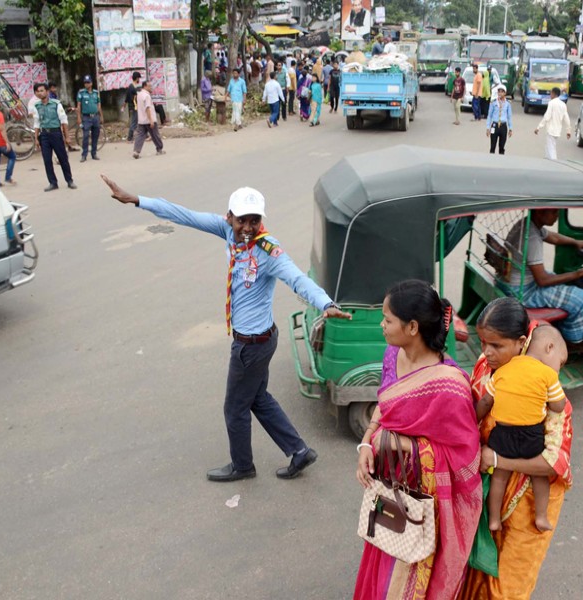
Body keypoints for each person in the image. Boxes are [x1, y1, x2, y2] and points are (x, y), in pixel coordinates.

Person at [100, 176, 352, 483]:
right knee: (257, 398)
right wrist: (137, 200)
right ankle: (298, 451)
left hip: (253, 345)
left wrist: (325, 303)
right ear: (229, 217)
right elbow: (183, 214)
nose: (247, 227)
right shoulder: (226, 231)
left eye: (254, 220)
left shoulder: (268, 251)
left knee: (234, 409)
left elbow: (297, 278)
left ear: (262, 220)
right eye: (241, 220)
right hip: (256, 341)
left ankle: (243, 466)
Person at [354, 280, 481, 600]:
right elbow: (384, 407)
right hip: (390, 487)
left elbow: (465, 457)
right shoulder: (391, 355)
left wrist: (404, 446)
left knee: (405, 584)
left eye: (387, 319)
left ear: (412, 326)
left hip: (425, 503)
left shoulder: (449, 386)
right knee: (382, 560)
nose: (381, 325)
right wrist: (368, 443)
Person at [457, 297, 573, 600]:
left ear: (522, 342)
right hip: (486, 490)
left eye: (496, 345)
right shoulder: (487, 366)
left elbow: (552, 463)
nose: (486, 352)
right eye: (483, 343)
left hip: (530, 502)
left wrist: (497, 458)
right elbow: (471, 414)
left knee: (507, 588)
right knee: (475, 574)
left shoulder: (546, 391)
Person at [476, 325, 568, 533]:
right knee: (539, 477)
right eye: (560, 362)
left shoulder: (503, 369)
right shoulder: (548, 375)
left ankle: (493, 520)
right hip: (531, 435)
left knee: (499, 476)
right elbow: (559, 406)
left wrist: (474, 419)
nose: (558, 368)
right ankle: (542, 517)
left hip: (501, 434)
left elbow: (485, 402)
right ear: (549, 348)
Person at [499, 209, 583, 349]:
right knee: (582, 298)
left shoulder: (528, 224)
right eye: (554, 212)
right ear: (539, 213)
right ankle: (573, 343)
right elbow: (542, 280)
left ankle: (563, 328)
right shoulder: (532, 239)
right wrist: (577, 274)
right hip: (522, 292)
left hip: (508, 282)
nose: (557, 216)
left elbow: (552, 237)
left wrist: (575, 242)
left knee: (558, 279)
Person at [32, 83, 75, 192]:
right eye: (37, 91)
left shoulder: (56, 104)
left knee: (62, 158)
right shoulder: (37, 106)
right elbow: (36, 123)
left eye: (42, 90)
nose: (39, 93)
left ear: (47, 91)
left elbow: (64, 120)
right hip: (44, 135)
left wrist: (67, 136)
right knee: (47, 160)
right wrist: (36, 138)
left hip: (56, 133)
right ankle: (52, 182)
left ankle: (69, 180)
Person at [534, 87, 572, 160]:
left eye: (551, 93)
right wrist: (568, 131)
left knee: (551, 149)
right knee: (549, 146)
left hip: (551, 130)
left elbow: (547, 116)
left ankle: (554, 164)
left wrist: (538, 127)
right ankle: (547, 161)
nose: (550, 95)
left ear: (554, 94)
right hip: (557, 130)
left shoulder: (551, 103)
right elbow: (566, 118)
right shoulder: (563, 104)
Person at [132, 81, 164, 158]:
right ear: (145, 86)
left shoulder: (139, 95)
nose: (151, 88)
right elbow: (147, 108)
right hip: (149, 119)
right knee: (155, 135)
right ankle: (159, 149)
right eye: (149, 86)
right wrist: (151, 120)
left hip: (141, 120)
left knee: (140, 136)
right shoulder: (146, 96)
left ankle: (136, 151)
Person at [76, 75, 103, 163]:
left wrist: (101, 116)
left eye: (88, 82)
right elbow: (79, 105)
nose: (87, 84)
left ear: (91, 83)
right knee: (85, 136)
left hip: (95, 116)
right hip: (86, 117)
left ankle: (94, 153)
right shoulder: (81, 93)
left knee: (96, 135)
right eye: (85, 83)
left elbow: (99, 105)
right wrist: (79, 117)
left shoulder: (96, 93)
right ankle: (84, 155)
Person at [485, 84, 513, 154]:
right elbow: (490, 116)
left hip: (503, 126)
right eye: (499, 91)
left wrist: (510, 128)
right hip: (494, 125)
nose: (500, 93)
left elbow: (509, 117)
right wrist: (488, 127)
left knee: (502, 146)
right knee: (492, 146)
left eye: (502, 92)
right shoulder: (493, 102)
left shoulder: (507, 104)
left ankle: (501, 162)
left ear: (505, 93)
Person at [125, 72, 141, 142]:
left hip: (136, 106)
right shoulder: (132, 87)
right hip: (135, 107)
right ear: (137, 78)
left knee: (138, 121)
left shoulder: (133, 86)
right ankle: (129, 137)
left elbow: (127, 98)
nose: (139, 79)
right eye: (139, 78)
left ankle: (144, 135)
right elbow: (130, 98)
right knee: (134, 122)